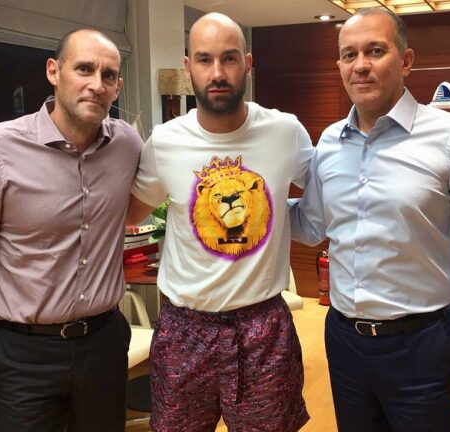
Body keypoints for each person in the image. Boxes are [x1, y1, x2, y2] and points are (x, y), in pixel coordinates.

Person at [289, 8, 450, 432]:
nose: (360, 65)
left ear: (406, 60)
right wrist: (257, 204)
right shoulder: (328, 142)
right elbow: (312, 226)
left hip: (423, 348)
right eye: (349, 55)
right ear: (339, 65)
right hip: (344, 343)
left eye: (375, 51)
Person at [0, 28, 143, 432]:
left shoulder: (128, 145)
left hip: (103, 346)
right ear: (53, 72)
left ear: (117, 87)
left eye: (109, 75)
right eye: (84, 69)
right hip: (24, 356)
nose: (97, 84)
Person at [127, 12, 313, 432]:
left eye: (228, 58)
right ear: (187, 66)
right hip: (184, 331)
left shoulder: (285, 132)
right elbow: (127, 213)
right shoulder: (165, 142)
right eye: (204, 59)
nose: (217, 73)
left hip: (263, 328)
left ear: (247, 64)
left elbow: (329, 192)